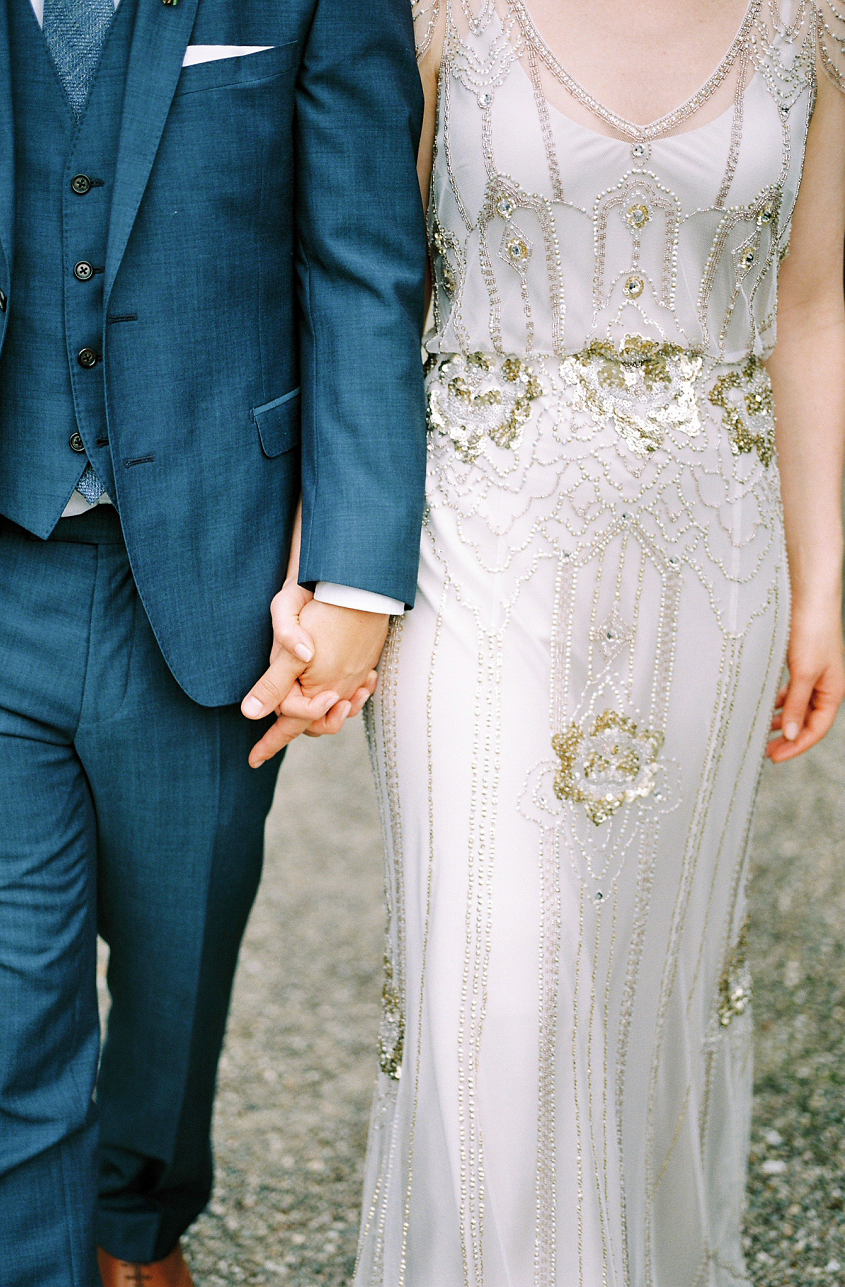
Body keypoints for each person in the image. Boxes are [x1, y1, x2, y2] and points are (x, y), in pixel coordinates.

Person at [0, 1, 427, 1283]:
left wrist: (357, 571)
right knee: (1, 1049)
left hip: (209, 577)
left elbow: (362, 261)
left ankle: (141, 1212)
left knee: (179, 968)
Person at [354, 1, 845, 1283]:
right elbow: (363, 290)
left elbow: (814, 310)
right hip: (474, 545)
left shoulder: (817, 28)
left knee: (643, 992)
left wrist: (820, 588)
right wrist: (330, 561)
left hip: (711, 563)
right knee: (495, 984)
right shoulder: (438, 12)